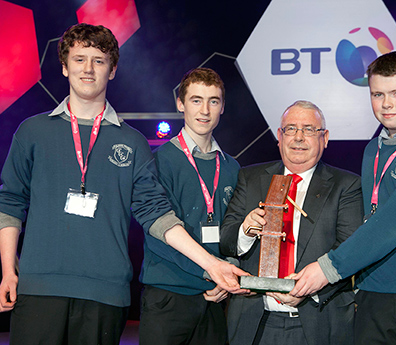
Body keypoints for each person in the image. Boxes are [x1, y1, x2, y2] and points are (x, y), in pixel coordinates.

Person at [0, 24, 246, 345]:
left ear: (112, 70)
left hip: (105, 292)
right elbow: (10, 203)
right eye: (79, 59)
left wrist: (212, 264)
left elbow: (156, 215)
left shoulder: (133, 142)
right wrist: (8, 269)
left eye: (99, 61)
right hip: (39, 287)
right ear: (64, 66)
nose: (88, 69)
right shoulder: (32, 131)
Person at [291, 50, 396, 344]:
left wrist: (328, 268)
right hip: (375, 294)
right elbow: (370, 219)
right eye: (377, 94)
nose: (386, 104)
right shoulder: (373, 149)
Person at [220, 100, 363, 345]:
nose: (298, 137)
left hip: (319, 319)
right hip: (254, 322)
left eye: (309, 129)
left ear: (324, 138)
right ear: (279, 136)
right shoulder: (249, 177)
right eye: (290, 129)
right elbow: (226, 240)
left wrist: (309, 289)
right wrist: (245, 231)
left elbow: (349, 252)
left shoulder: (346, 185)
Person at [138, 67, 239, 344]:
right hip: (169, 294)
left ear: (222, 107)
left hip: (215, 296)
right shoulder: (158, 161)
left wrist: (227, 269)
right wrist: (211, 271)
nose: (204, 110)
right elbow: (159, 235)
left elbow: (234, 231)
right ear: (180, 104)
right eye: (196, 100)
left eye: (213, 101)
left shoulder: (232, 167)